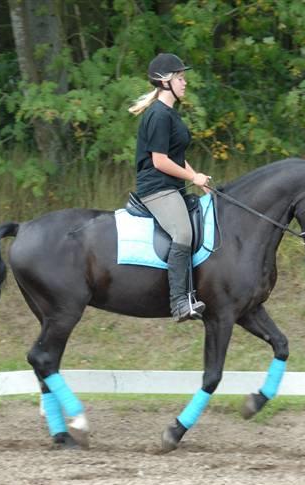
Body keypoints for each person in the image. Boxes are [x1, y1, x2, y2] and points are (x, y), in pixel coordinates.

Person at [128, 53, 211, 322]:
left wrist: (196, 176)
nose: (185, 83)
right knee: (183, 234)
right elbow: (160, 161)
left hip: (172, 185)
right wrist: (192, 178)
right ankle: (179, 302)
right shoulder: (159, 116)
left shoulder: (171, 115)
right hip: (157, 187)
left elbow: (174, 156)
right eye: (180, 78)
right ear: (166, 82)